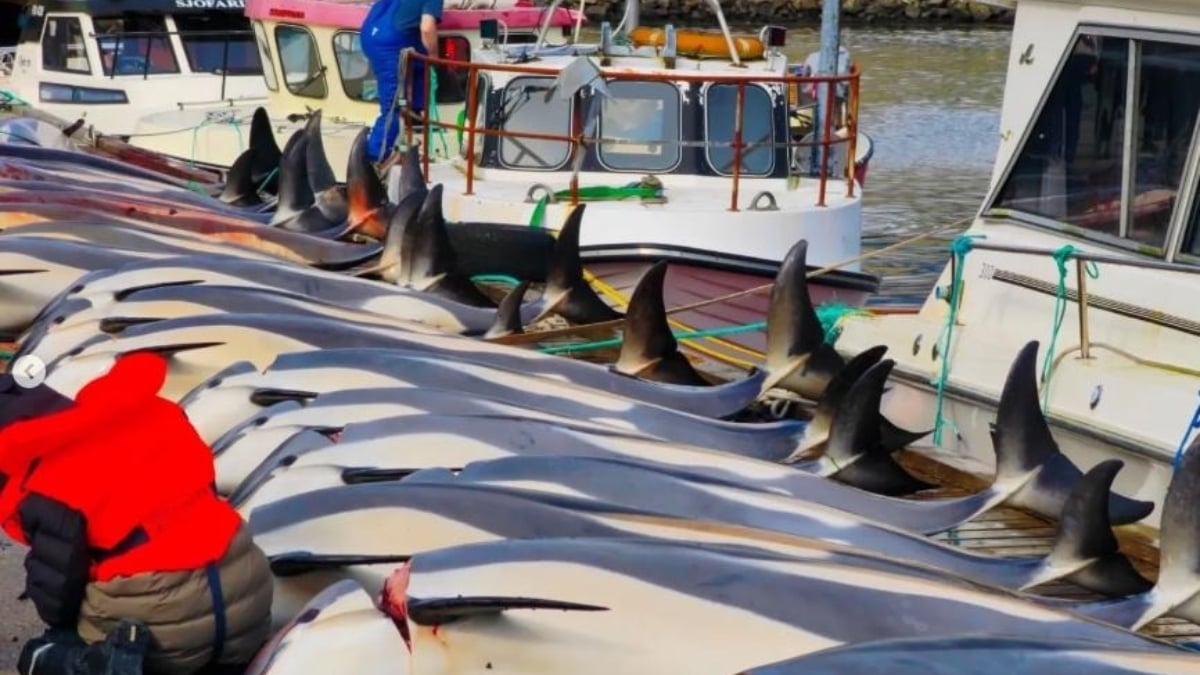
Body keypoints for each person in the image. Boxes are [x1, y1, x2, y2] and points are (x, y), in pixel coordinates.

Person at [0, 352, 274, 675]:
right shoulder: (154, 415)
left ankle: (106, 664)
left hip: (165, 626)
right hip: (248, 600)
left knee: (41, 656)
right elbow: (205, 488)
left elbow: (57, 590)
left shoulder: (42, 481)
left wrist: (65, 631)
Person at [360, 0, 445, 162]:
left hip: (372, 31)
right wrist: (434, 57)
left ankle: (413, 135)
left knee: (419, 69)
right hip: (390, 44)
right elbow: (427, 28)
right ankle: (373, 159)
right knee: (392, 108)